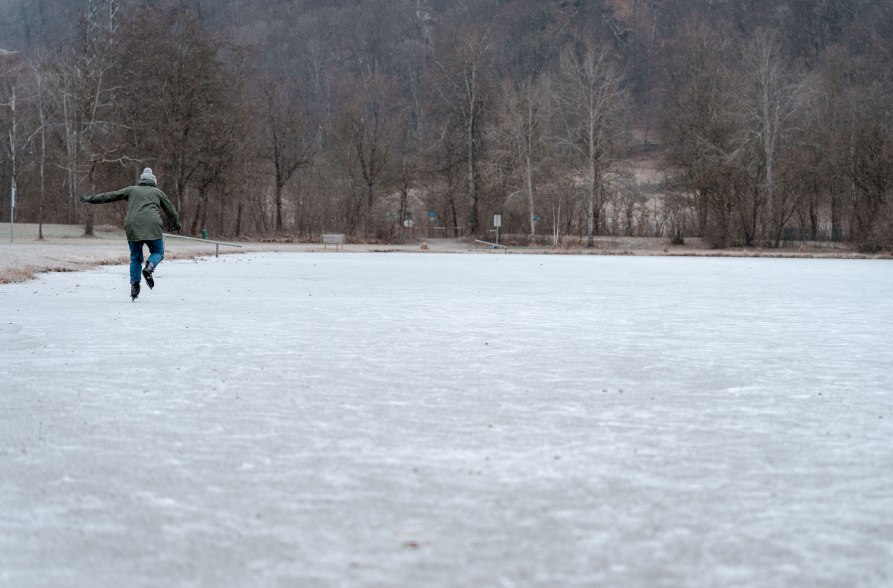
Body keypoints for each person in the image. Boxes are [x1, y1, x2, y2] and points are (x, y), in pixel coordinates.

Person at [80, 167, 181, 301]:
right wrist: (176, 224)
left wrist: (91, 199)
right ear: (154, 181)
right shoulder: (158, 192)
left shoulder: (131, 190)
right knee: (158, 252)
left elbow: (110, 195)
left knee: (135, 258)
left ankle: (134, 286)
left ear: (141, 179)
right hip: (152, 225)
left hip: (133, 226)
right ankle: (150, 266)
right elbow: (171, 210)